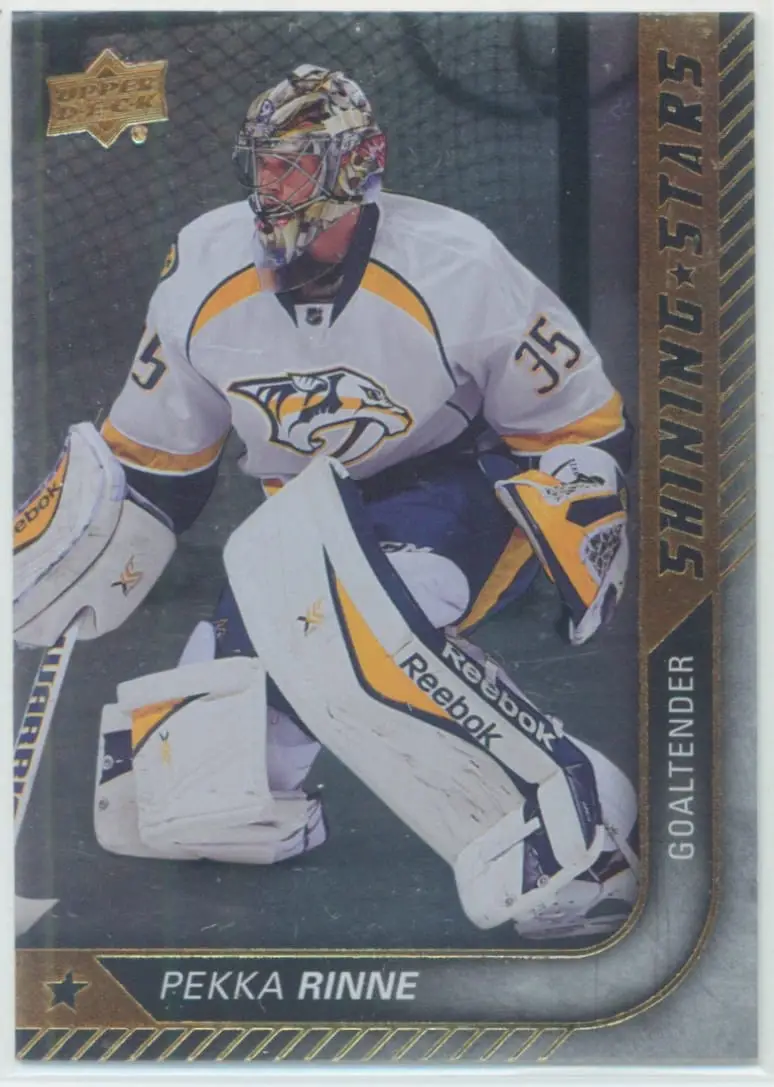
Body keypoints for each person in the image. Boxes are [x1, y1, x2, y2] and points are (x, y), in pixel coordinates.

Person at [13, 65, 638, 939]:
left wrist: (581, 512)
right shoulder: (202, 266)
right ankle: (296, 802)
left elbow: (579, 422)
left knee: (354, 630)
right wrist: (79, 539)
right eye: (263, 163)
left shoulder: (457, 262)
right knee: (194, 783)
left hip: (451, 487)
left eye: (295, 164)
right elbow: (155, 457)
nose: (271, 185)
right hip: (304, 517)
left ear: (358, 162)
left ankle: (580, 814)